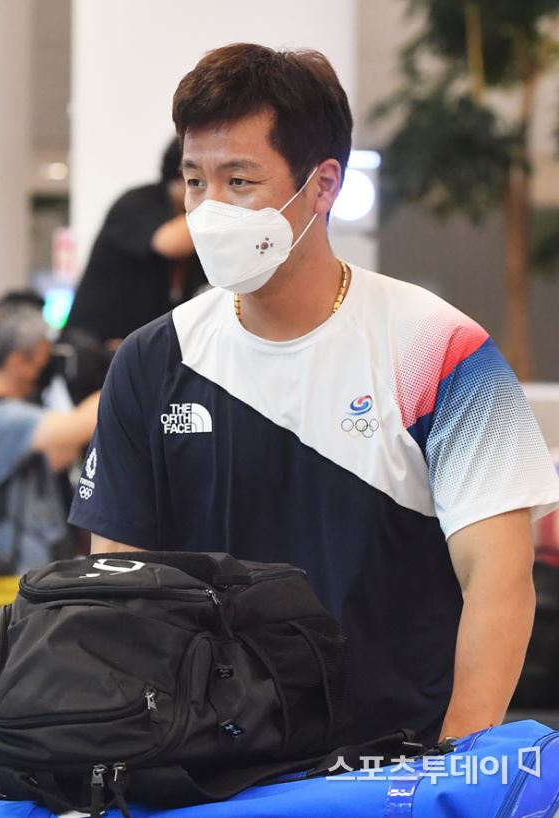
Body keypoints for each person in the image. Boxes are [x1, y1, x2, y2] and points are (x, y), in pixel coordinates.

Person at [68, 43, 559, 747]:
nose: (210, 210)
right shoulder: (152, 360)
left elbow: (499, 577)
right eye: (196, 181)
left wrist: (451, 762)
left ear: (323, 185)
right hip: (206, 770)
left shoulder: (441, 348)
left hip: (391, 765)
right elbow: (116, 581)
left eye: (240, 181)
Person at [0, 291, 100, 579]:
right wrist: (120, 368)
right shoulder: (2, 418)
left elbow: (62, 455)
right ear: (17, 362)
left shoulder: (12, 415)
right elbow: (78, 427)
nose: (48, 364)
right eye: (42, 354)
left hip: (29, 573)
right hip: (10, 580)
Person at [64, 137, 206, 344]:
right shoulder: (138, 202)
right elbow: (170, 243)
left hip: (145, 344)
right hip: (94, 343)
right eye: (200, 182)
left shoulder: (196, 228)